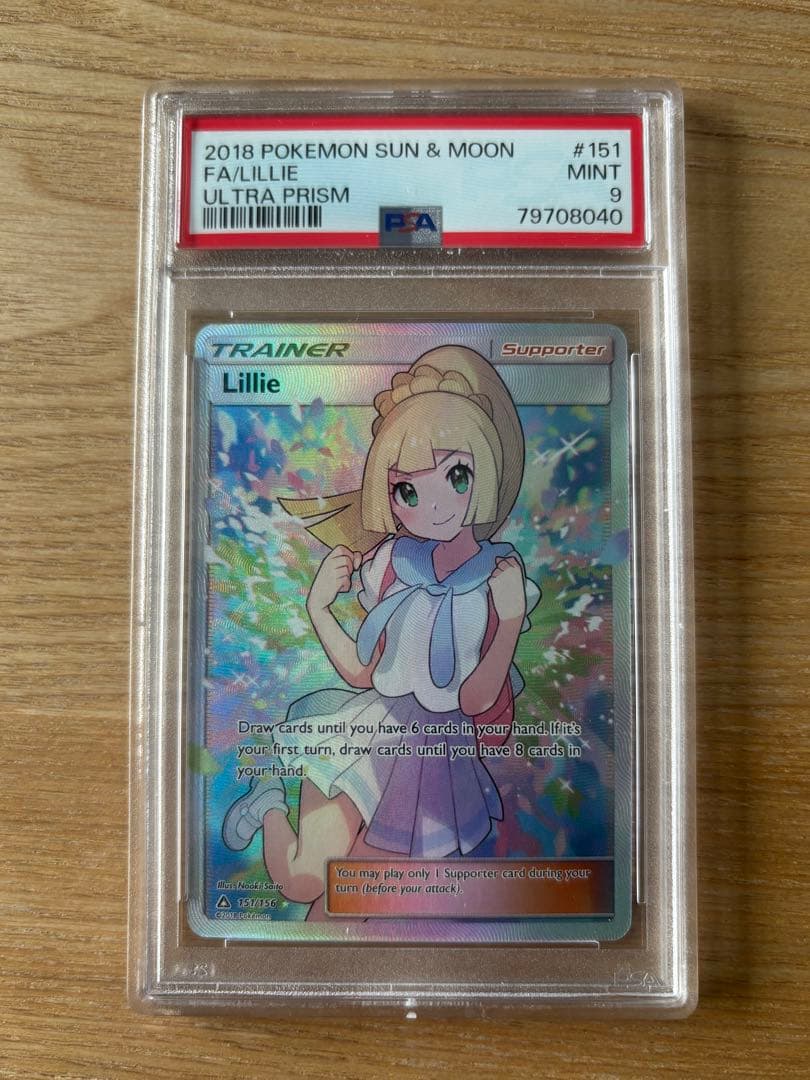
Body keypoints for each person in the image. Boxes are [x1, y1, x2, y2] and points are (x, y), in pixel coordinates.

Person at [222, 345, 540, 918]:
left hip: (434, 760)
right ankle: (269, 804)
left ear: (485, 471)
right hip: (370, 733)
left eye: (457, 476)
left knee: (346, 902)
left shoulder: (498, 576)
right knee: (300, 882)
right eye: (408, 490)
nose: (433, 506)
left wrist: (511, 620)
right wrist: (320, 607)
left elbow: (476, 700)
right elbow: (362, 670)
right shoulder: (391, 563)